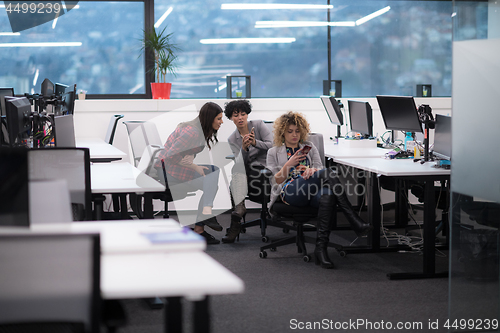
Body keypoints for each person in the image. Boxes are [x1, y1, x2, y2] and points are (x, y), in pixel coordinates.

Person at [266, 111, 372, 268]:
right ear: (282, 133)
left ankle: (320, 249)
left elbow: (320, 170)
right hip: (289, 192)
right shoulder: (273, 152)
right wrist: (290, 164)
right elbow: (274, 181)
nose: (294, 135)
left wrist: (311, 171)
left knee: (328, 195)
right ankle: (353, 218)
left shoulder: (309, 147)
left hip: (312, 190)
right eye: (290, 131)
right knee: (329, 174)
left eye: (297, 131)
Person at [157, 102, 224, 244]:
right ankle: (204, 219)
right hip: (167, 170)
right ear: (209, 118)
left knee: (213, 173)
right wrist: (194, 166)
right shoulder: (192, 132)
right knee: (211, 181)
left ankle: (205, 217)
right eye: (218, 118)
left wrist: (191, 160)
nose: (221, 122)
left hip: (174, 166)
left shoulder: (196, 130)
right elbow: (169, 156)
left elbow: (182, 153)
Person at [223, 99, 273, 243]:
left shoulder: (258, 125)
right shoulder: (232, 139)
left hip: (266, 170)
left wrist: (254, 142)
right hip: (249, 173)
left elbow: (273, 146)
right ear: (231, 118)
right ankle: (238, 213)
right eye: (236, 115)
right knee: (237, 172)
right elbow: (241, 162)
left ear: (247, 114)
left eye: (243, 114)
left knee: (236, 177)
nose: (240, 118)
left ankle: (238, 214)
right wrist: (244, 148)